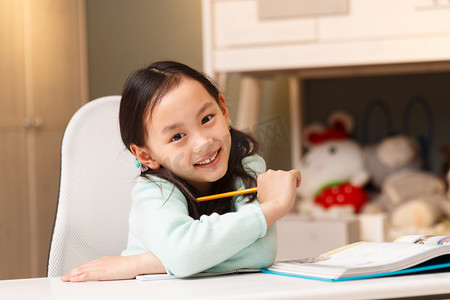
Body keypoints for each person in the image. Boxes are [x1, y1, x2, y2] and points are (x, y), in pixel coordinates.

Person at [61, 61, 301, 282]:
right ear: (146, 155)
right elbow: (185, 255)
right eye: (177, 136)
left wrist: (145, 262)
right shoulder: (153, 191)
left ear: (224, 111)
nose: (202, 143)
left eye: (207, 118)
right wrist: (275, 206)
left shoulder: (247, 167)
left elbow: (259, 253)